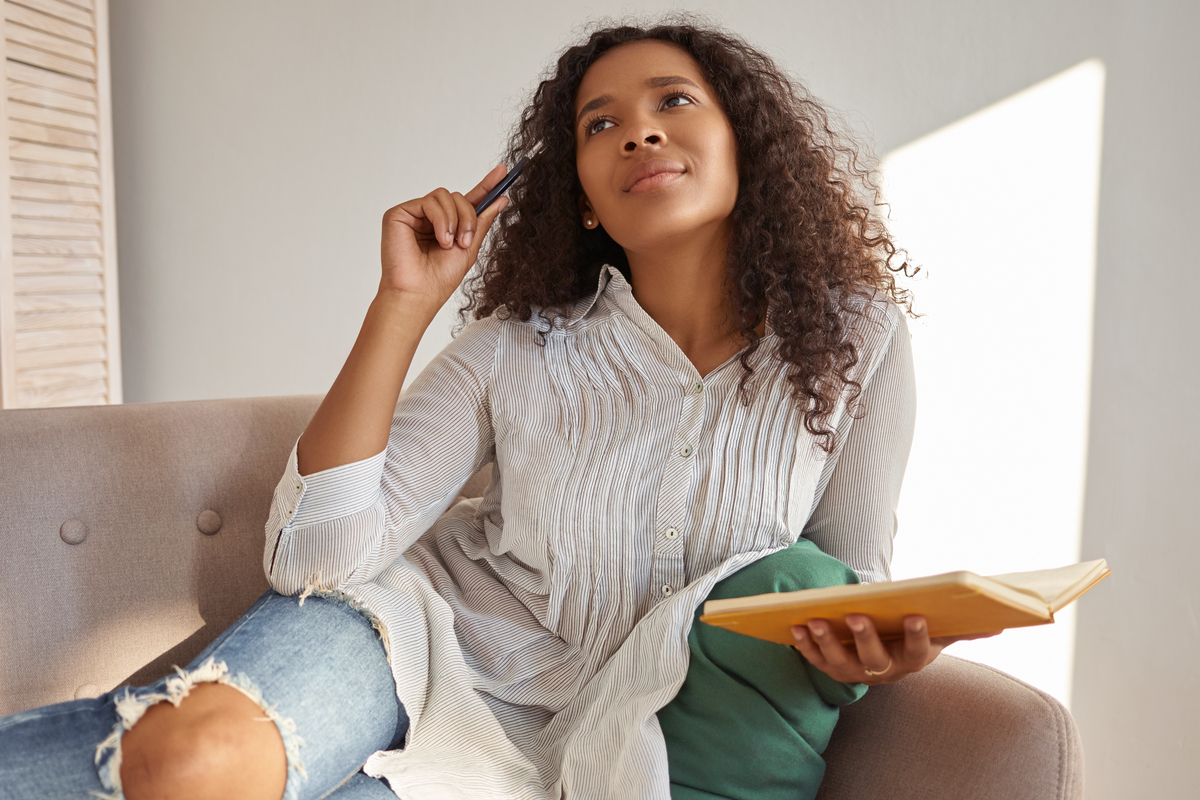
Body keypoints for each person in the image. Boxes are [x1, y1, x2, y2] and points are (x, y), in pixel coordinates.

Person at [0, 18, 978, 800]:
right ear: (587, 199)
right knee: (194, 768)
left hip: (583, 744)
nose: (639, 129)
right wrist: (403, 306)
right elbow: (313, 558)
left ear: (742, 145)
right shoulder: (517, 349)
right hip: (409, 637)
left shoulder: (859, 342)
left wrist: (871, 649)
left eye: (674, 101)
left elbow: (851, 569)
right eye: (601, 123)